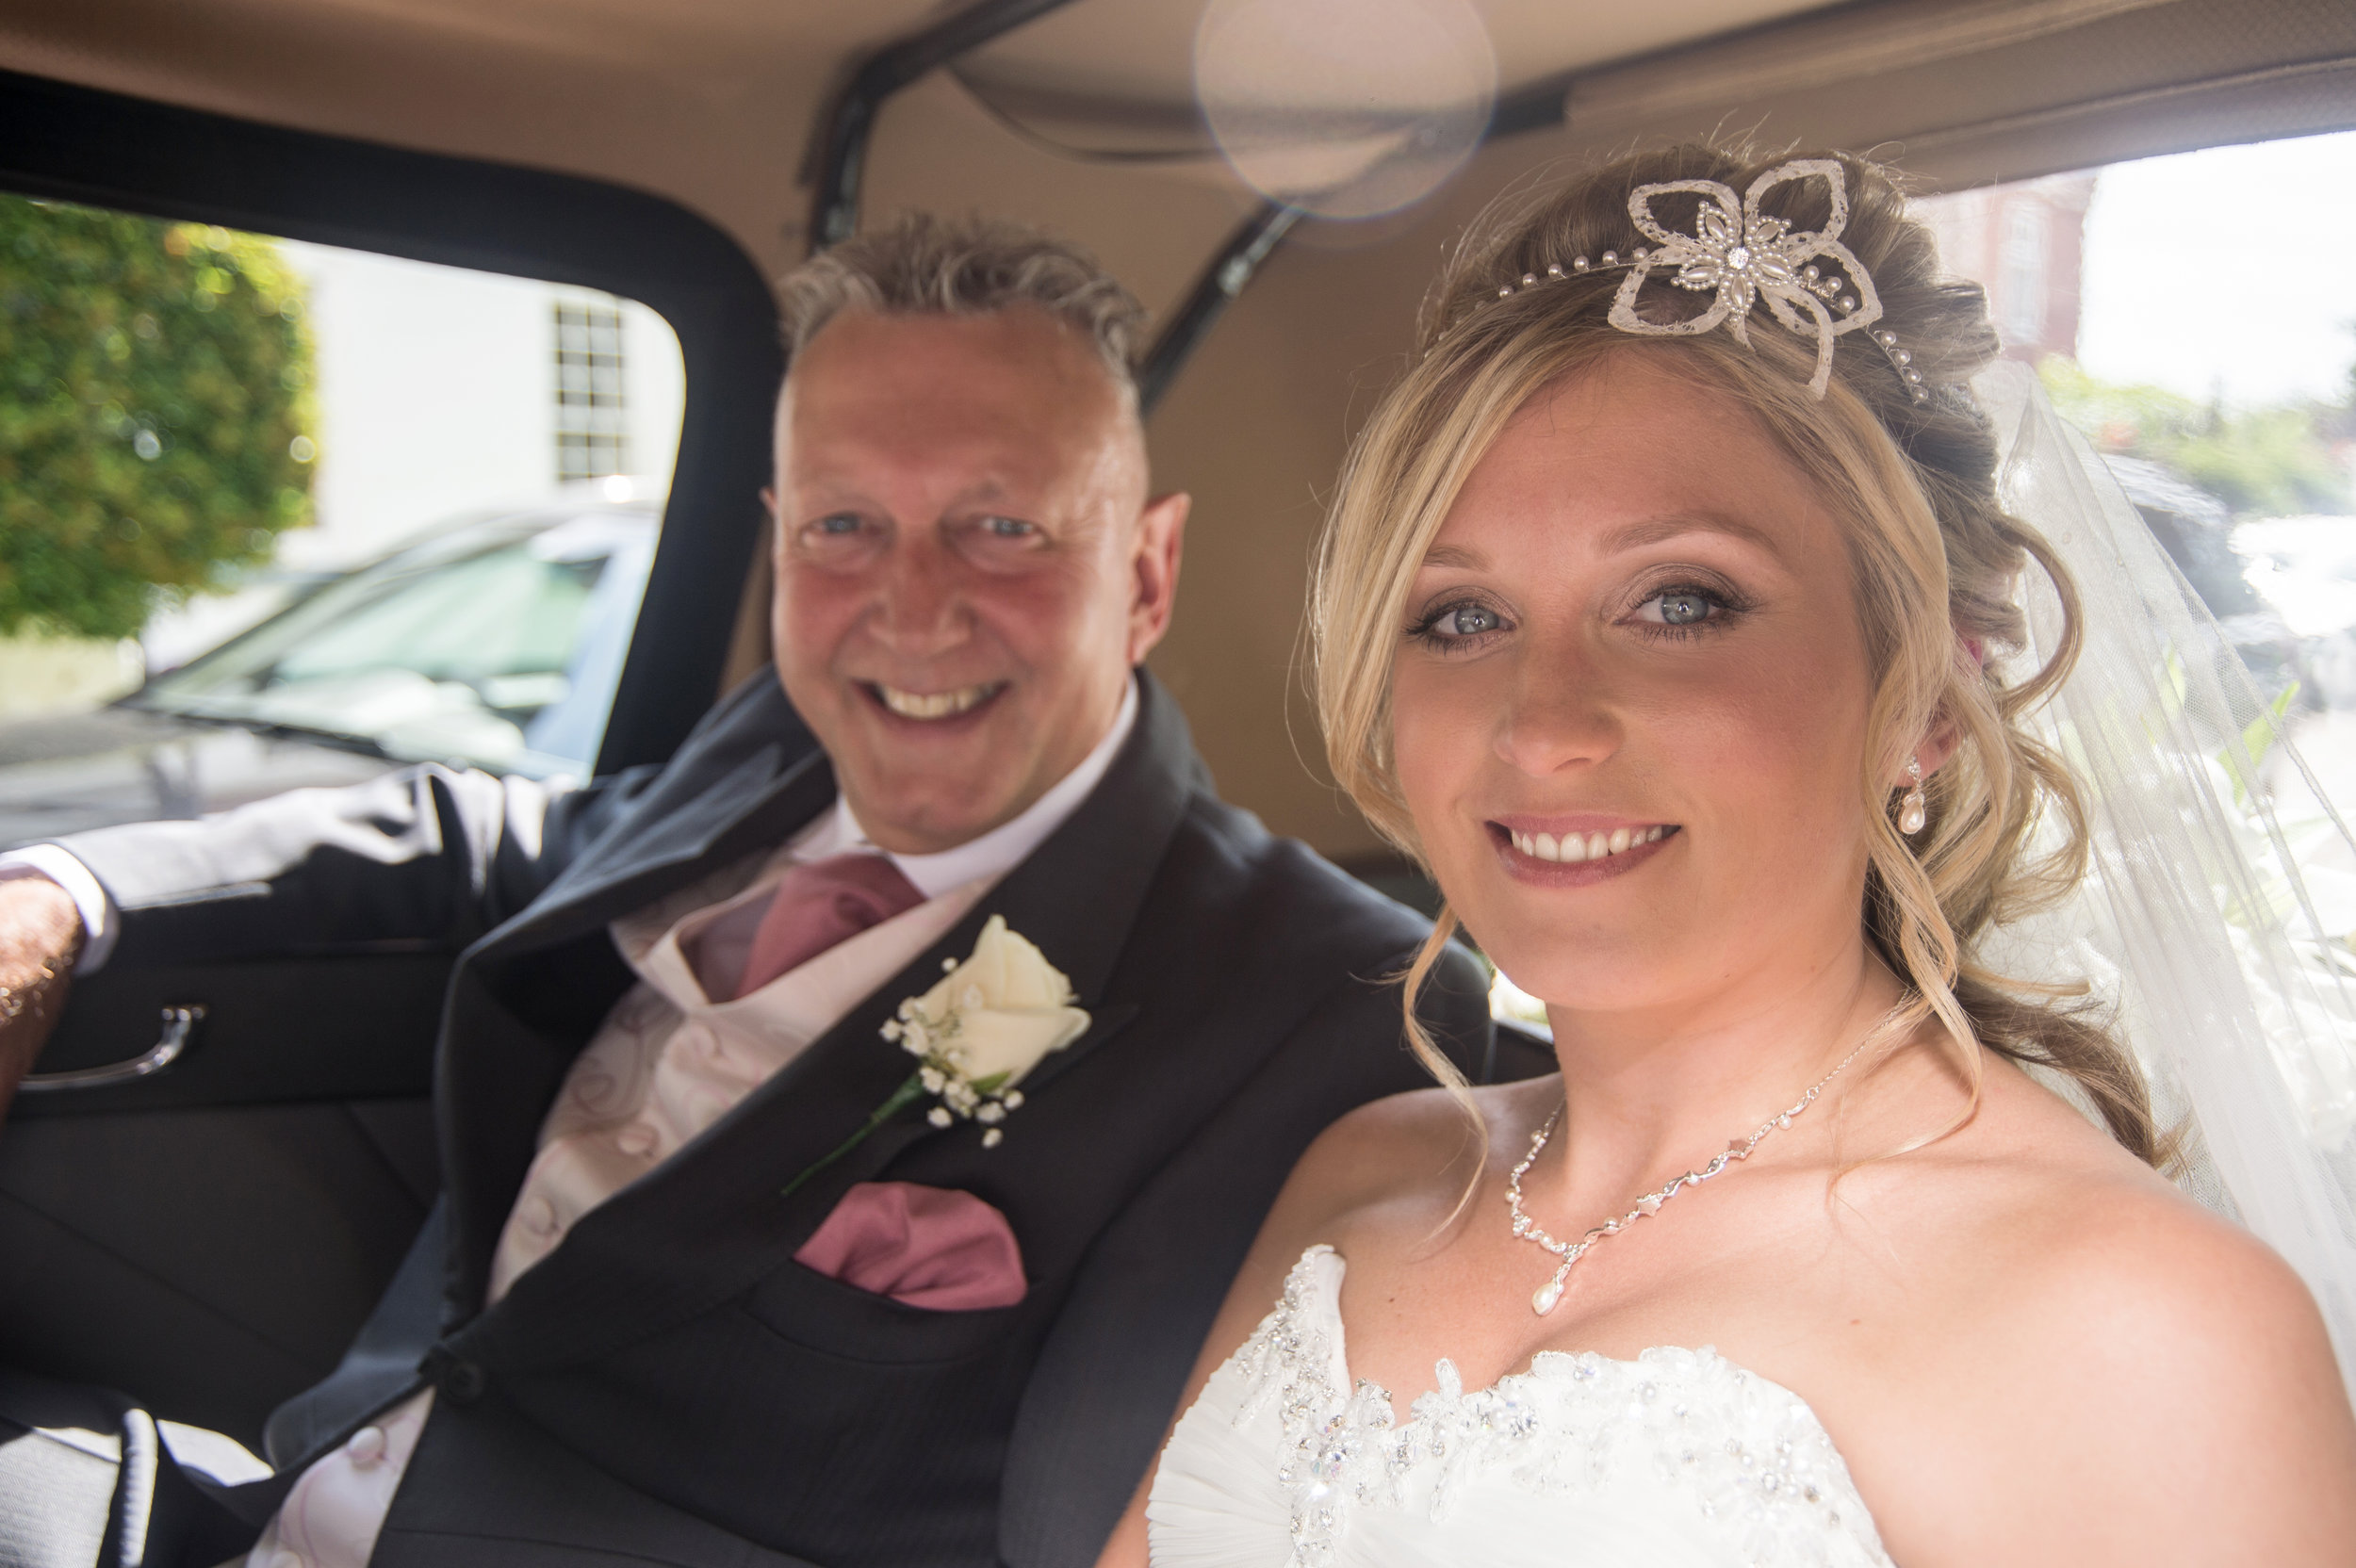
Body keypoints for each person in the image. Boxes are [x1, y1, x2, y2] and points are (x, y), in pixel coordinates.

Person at [0, 215, 1510, 1567]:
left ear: (1148, 574)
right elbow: (488, 836)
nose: (911, 612)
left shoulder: (1338, 1013)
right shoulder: (769, 749)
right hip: (279, 1488)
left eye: (1002, 526)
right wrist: (62, 896)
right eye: (843, 525)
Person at [1100, 146, 2356, 1568]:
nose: (1545, 723)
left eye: (1682, 601)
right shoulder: (1360, 1178)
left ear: (1929, 699)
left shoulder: (2140, 1326)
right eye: (1459, 617)